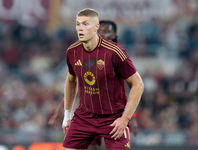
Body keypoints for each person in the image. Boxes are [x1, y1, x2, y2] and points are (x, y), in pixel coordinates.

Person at [62, 8, 144, 150]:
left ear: (96, 27)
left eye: (85, 24)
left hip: (113, 119)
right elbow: (71, 80)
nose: (80, 28)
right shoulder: (72, 51)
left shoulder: (114, 52)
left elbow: (138, 84)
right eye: (78, 24)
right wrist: (67, 114)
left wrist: (125, 118)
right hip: (84, 117)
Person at [48, 20, 138, 137]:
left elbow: (130, 90)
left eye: (108, 32)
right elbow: (78, 84)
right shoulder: (86, 56)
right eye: (101, 31)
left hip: (112, 116)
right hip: (90, 116)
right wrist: (64, 106)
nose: (104, 34)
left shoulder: (119, 57)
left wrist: (131, 117)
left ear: (114, 36)